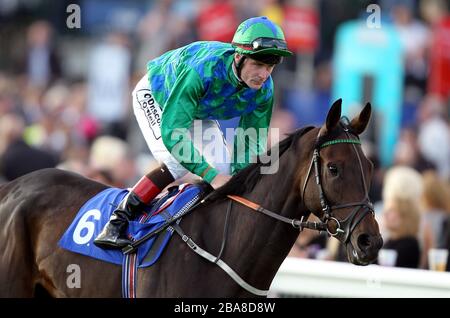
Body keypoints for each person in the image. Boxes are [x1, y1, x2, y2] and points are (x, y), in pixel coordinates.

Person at [94, 16, 293, 249]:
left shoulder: (264, 90)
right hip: (158, 96)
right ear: (238, 57)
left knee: (225, 170)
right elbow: (174, 133)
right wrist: (210, 176)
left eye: (270, 67)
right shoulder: (201, 71)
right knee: (176, 162)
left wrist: (241, 182)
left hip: (198, 112)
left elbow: (250, 142)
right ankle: (117, 221)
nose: (264, 74)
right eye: (258, 65)